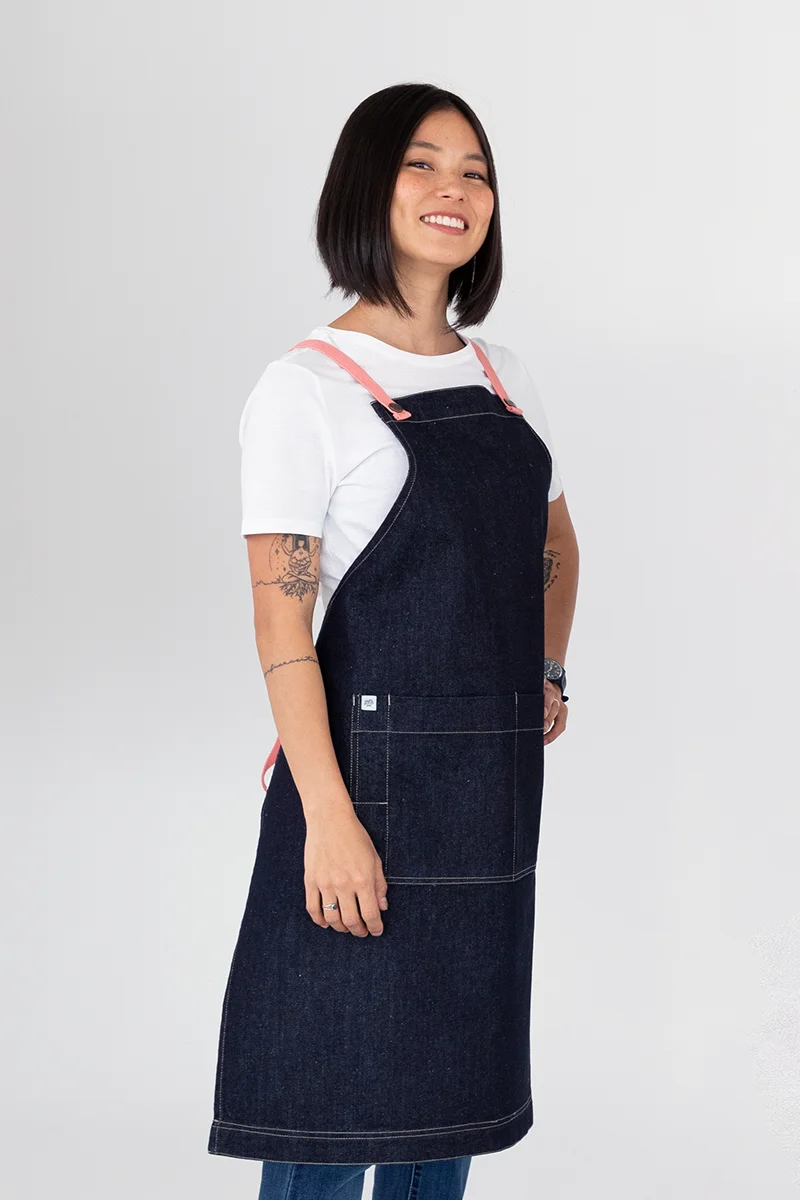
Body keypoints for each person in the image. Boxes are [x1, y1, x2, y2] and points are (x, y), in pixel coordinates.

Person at [208, 82, 579, 1200]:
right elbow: (280, 618)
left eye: (475, 171)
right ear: (367, 185)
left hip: (484, 799)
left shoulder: (500, 375)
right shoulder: (307, 389)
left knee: (442, 1117)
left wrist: (545, 669)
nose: (452, 189)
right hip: (357, 794)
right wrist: (327, 820)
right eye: (422, 163)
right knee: (323, 1115)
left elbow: (555, 545)